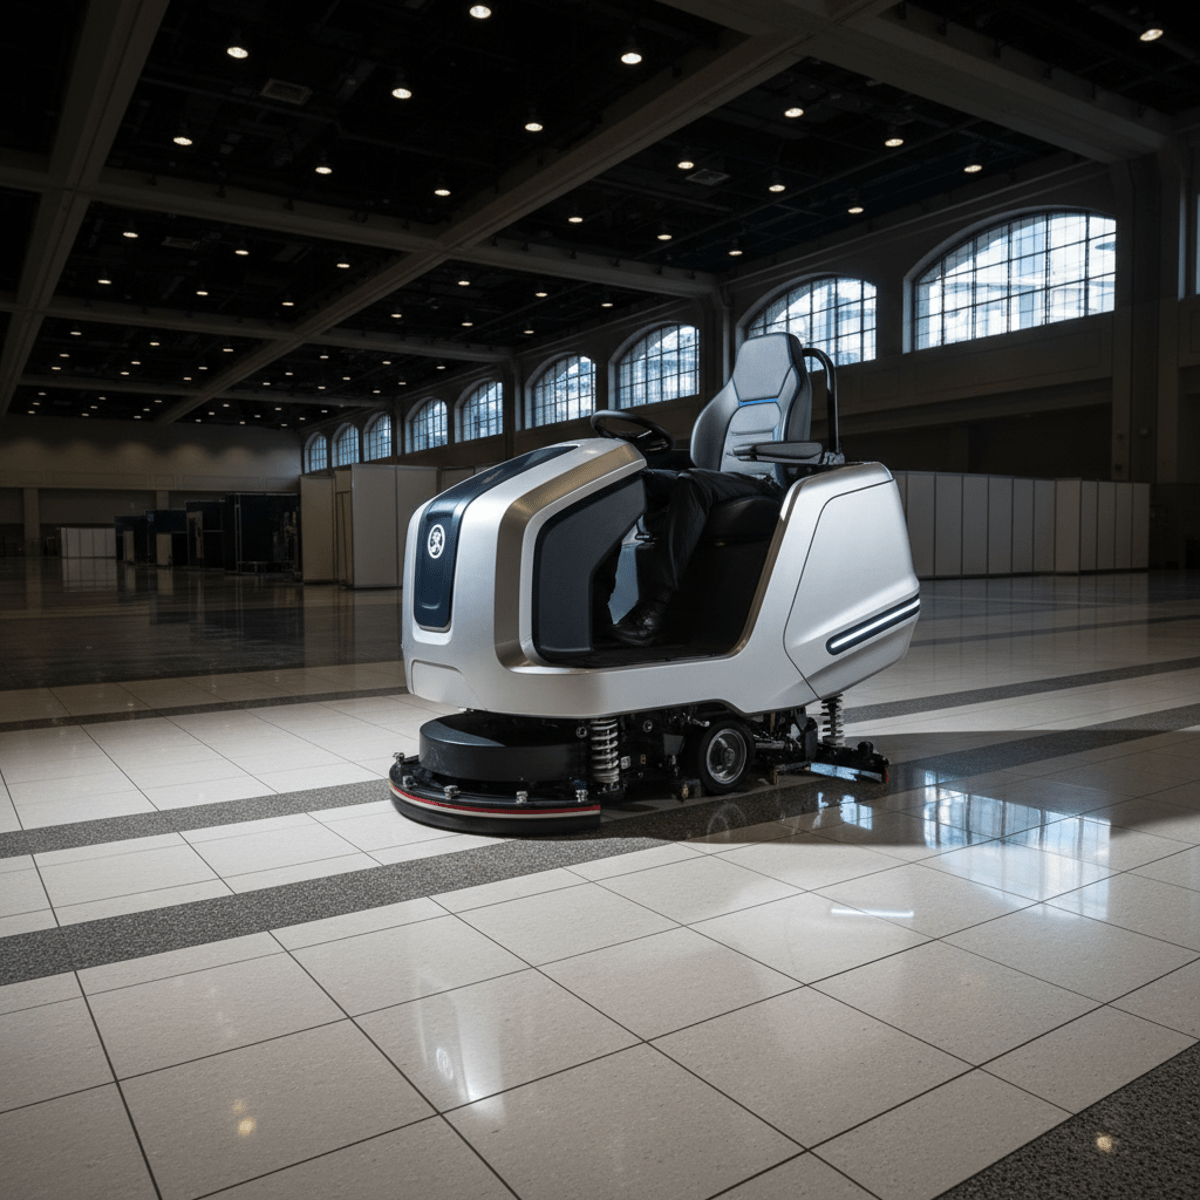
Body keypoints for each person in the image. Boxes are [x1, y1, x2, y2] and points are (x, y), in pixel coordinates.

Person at [610, 465, 782, 646]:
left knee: (692, 482)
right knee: (635, 481)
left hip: (768, 483)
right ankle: (597, 610)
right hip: (726, 476)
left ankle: (653, 608)